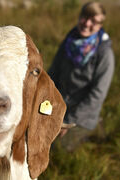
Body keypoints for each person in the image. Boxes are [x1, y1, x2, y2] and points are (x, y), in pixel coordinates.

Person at [48, 1, 115, 152]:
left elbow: (97, 94)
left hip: (82, 115)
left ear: (100, 26)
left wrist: (69, 121)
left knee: (58, 149)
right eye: (85, 17)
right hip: (61, 106)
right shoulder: (69, 41)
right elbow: (53, 73)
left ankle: (95, 127)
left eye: (94, 21)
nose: (87, 24)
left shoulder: (104, 54)